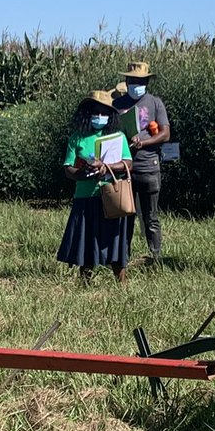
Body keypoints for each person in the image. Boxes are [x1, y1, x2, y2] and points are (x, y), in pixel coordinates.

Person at [57, 90, 133, 282]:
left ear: (111, 115)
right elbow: (68, 168)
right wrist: (82, 174)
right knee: (86, 241)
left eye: (104, 113)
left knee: (114, 240)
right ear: (87, 113)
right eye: (96, 112)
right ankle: (85, 281)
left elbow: (127, 163)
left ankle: (121, 282)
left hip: (110, 196)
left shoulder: (118, 137)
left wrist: (105, 167)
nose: (100, 117)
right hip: (85, 196)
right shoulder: (77, 138)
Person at [112, 61, 170, 263]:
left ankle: (156, 258)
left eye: (140, 81)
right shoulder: (117, 104)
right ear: (126, 81)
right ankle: (122, 259)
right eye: (132, 80)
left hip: (148, 166)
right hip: (123, 168)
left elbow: (165, 134)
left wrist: (144, 142)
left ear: (146, 82)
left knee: (151, 217)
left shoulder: (155, 103)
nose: (136, 84)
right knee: (125, 217)